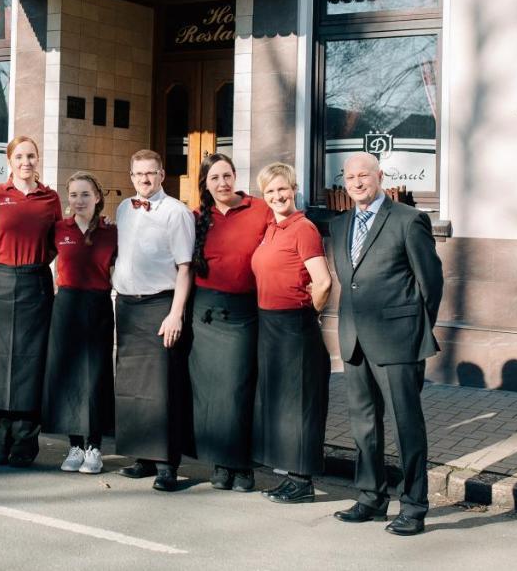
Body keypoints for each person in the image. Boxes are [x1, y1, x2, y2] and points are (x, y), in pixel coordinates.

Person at [330, 152, 444, 536]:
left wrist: (415, 331)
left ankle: (413, 506)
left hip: (398, 341)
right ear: (344, 182)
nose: (358, 182)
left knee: (405, 426)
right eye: (350, 177)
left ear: (380, 177)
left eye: (365, 175)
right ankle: (371, 497)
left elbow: (431, 284)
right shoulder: (340, 224)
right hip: (355, 339)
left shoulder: (409, 220)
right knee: (364, 425)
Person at [111, 149, 194, 492]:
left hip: (160, 307)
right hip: (127, 307)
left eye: (150, 173)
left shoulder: (177, 212)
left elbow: (185, 267)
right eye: (138, 174)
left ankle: (166, 465)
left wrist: (176, 313)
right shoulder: (122, 209)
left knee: (163, 390)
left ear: (162, 175)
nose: (144, 179)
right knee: (132, 388)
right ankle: (142, 457)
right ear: (131, 176)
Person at [250, 162, 332, 504]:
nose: (277, 196)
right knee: (282, 404)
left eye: (282, 189)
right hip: (269, 323)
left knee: (300, 405)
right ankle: (289, 474)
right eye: (270, 191)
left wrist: (308, 311)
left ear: (294, 188)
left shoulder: (304, 228)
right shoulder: (272, 227)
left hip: (295, 324)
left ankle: (302, 480)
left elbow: (324, 281)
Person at [0, 136, 62, 466]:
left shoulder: (50, 198)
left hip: (36, 283)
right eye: (20, 157)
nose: (26, 162)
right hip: (0, 282)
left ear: (37, 160)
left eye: (31, 156)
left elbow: (57, 241)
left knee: (31, 363)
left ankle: (25, 442)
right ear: (9, 161)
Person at [188, 152, 271, 492]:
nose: (222, 183)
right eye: (214, 179)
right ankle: (220, 463)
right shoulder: (196, 217)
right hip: (204, 313)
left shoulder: (259, 210)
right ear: (205, 185)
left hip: (242, 312)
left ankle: (243, 466)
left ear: (235, 176)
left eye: (227, 176)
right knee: (209, 393)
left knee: (238, 390)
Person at [41, 171, 117, 475]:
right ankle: (74, 446)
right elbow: (41, 260)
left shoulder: (111, 231)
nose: (79, 200)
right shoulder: (59, 229)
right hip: (67, 305)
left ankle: (94, 447)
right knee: (69, 376)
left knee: (96, 376)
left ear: (97, 197)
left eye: (85, 194)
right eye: (73, 195)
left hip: (98, 306)